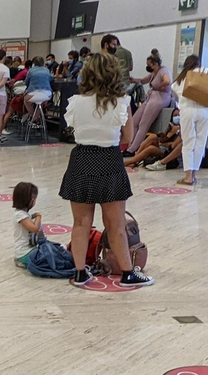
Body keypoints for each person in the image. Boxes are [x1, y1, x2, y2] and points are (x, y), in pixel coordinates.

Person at [61, 54, 152, 288]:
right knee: (115, 224)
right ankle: (127, 274)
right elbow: (128, 138)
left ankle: (80, 272)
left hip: (81, 160)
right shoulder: (122, 102)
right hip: (110, 160)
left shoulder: (75, 102)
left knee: (81, 223)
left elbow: (72, 130)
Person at [169, 55, 208, 187]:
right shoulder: (204, 75)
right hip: (205, 111)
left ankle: (188, 176)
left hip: (187, 111)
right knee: (200, 142)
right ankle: (194, 175)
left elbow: (177, 97)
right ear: (199, 64)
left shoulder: (178, 82)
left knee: (188, 142)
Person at [122, 52, 171, 153]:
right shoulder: (153, 73)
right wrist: (134, 80)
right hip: (150, 98)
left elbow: (167, 81)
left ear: (156, 64)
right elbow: (143, 80)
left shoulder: (163, 71)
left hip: (159, 99)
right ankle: (129, 145)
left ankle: (132, 149)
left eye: (149, 65)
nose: (148, 67)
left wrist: (159, 86)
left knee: (143, 124)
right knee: (134, 121)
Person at [12, 181, 42, 267]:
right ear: (32, 200)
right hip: (24, 253)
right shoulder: (20, 215)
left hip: (28, 250)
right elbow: (35, 229)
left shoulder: (22, 213)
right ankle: (21, 260)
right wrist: (38, 217)